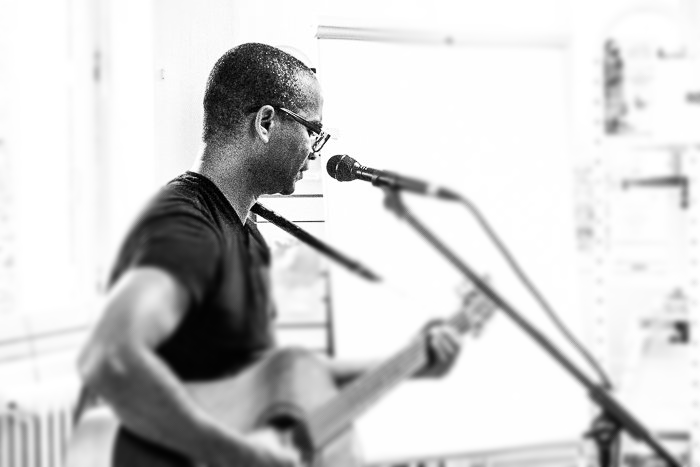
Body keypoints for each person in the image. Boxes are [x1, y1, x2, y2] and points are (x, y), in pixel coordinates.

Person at [76, 42, 462, 467]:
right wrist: (236, 451)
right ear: (265, 122)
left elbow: (273, 381)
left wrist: (407, 364)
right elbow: (110, 356)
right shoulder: (186, 225)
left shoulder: (248, 234)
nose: (315, 150)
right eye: (312, 130)